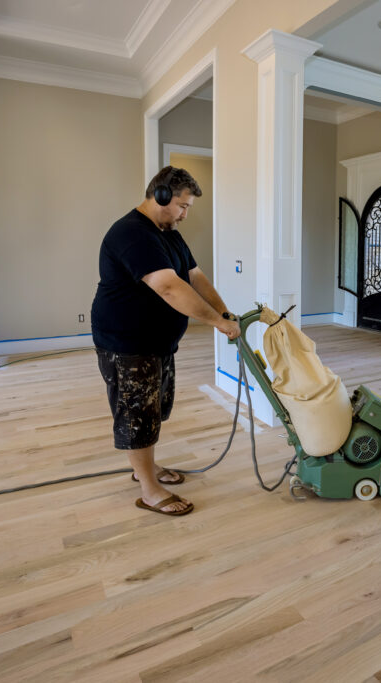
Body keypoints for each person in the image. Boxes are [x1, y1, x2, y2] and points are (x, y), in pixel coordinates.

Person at [91, 166, 240, 516]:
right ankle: (149, 489)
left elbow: (195, 277)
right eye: (183, 206)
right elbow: (169, 287)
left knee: (153, 410)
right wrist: (216, 323)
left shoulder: (168, 232)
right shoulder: (131, 233)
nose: (185, 214)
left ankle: (147, 469)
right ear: (160, 196)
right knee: (138, 415)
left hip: (156, 342)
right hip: (127, 342)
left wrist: (224, 312)